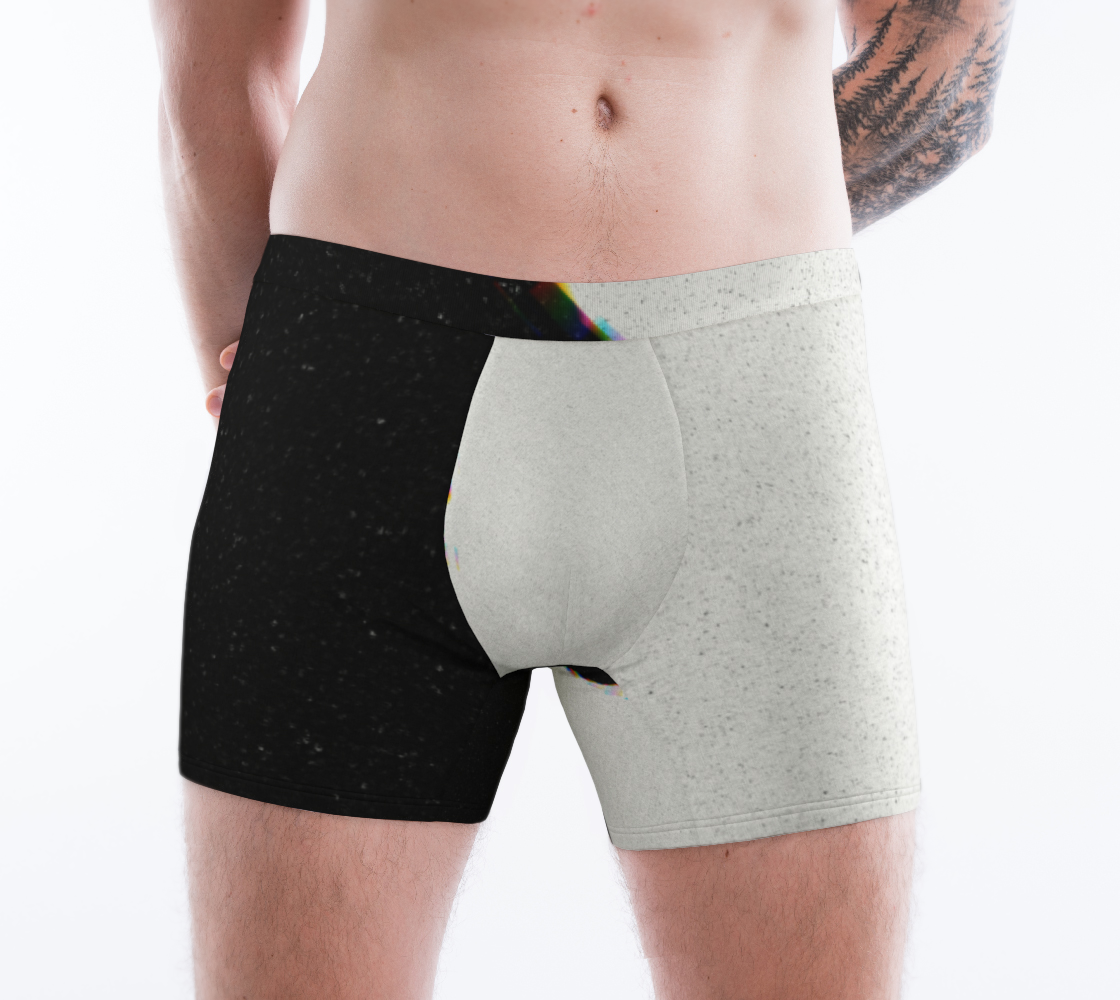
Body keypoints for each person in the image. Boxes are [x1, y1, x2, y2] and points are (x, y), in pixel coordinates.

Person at [149, 0, 1012, 996]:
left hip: (749, 385)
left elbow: (949, 57)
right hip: (363, 371)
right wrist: (263, 376)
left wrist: (699, 218)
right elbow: (215, 74)